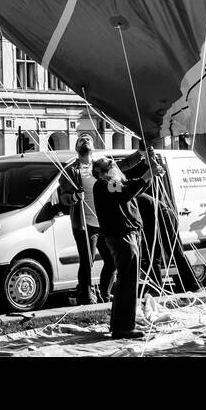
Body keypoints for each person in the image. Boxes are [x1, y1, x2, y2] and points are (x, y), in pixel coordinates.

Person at [92, 152, 153, 339]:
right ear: (102, 171)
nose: (115, 164)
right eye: (110, 163)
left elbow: (133, 187)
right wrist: (146, 176)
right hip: (122, 237)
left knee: (127, 281)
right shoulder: (104, 184)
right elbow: (127, 191)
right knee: (127, 281)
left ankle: (121, 325)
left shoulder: (113, 184)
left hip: (127, 235)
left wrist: (149, 172)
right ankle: (123, 328)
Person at [59, 134, 114, 304]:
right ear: (77, 148)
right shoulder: (70, 170)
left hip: (105, 222)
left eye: (88, 138)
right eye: (81, 139)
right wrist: (74, 197)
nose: (85, 140)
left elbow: (121, 172)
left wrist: (140, 155)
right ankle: (86, 297)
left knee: (112, 260)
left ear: (93, 146)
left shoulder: (100, 166)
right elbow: (63, 197)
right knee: (87, 262)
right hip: (84, 224)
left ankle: (105, 294)